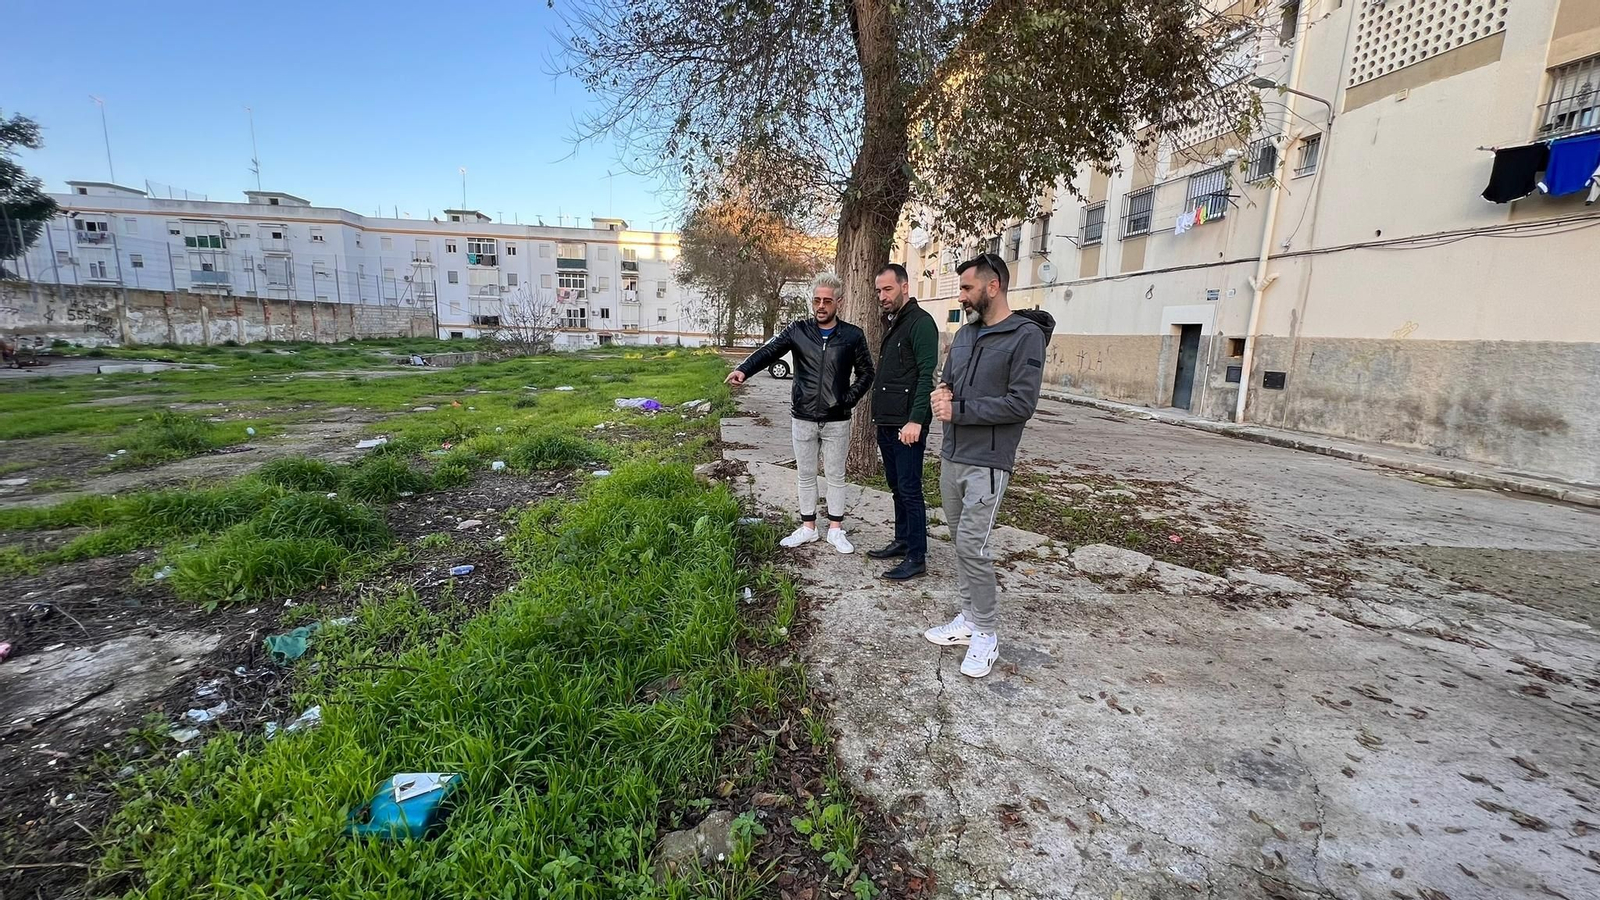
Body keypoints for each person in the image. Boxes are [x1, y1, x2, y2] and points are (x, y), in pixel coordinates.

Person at [923, 253, 1053, 677]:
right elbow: (948, 380)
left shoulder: (1024, 336)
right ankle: (969, 618)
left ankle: (987, 634)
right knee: (959, 542)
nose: (960, 296)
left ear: (992, 286)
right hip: (953, 456)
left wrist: (957, 409)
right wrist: (940, 396)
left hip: (989, 462)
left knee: (973, 547)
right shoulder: (965, 334)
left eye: (966, 288)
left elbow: (1021, 403)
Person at [726, 272, 875, 553]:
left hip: (837, 420)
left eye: (827, 301)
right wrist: (744, 370)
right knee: (805, 475)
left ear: (838, 303)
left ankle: (835, 529)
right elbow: (769, 352)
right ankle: (808, 528)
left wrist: (848, 400)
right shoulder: (798, 330)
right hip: (803, 417)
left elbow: (867, 373)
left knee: (835, 475)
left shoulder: (853, 335)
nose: (821, 306)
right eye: (816, 300)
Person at [867, 263, 939, 580]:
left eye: (888, 289)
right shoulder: (895, 322)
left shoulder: (920, 324)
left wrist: (916, 421)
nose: (882, 296)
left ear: (905, 287)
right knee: (896, 486)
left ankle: (916, 556)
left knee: (910, 490)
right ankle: (902, 540)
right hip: (888, 421)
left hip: (906, 426)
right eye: (879, 291)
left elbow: (927, 377)